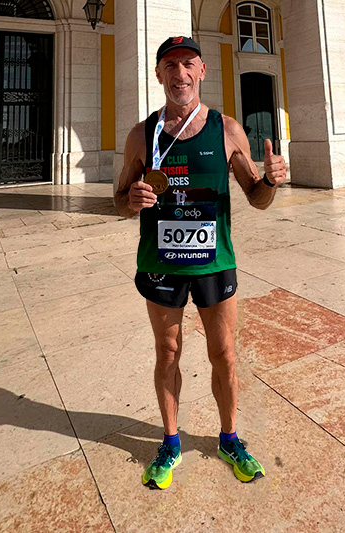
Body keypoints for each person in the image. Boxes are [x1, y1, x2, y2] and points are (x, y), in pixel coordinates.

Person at [114, 36, 287, 490]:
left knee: (224, 353)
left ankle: (229, 437)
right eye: (170, 65)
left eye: (188, 64)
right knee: (168, 353)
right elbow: (118, 200)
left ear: (202, 71)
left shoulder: (227, 129)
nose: (179, 73)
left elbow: (257, 197)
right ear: (159, 75)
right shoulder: (142, 133)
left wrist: (270, 179)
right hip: (162, 264)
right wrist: (130, 200)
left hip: (215, 263)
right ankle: (170, 442)